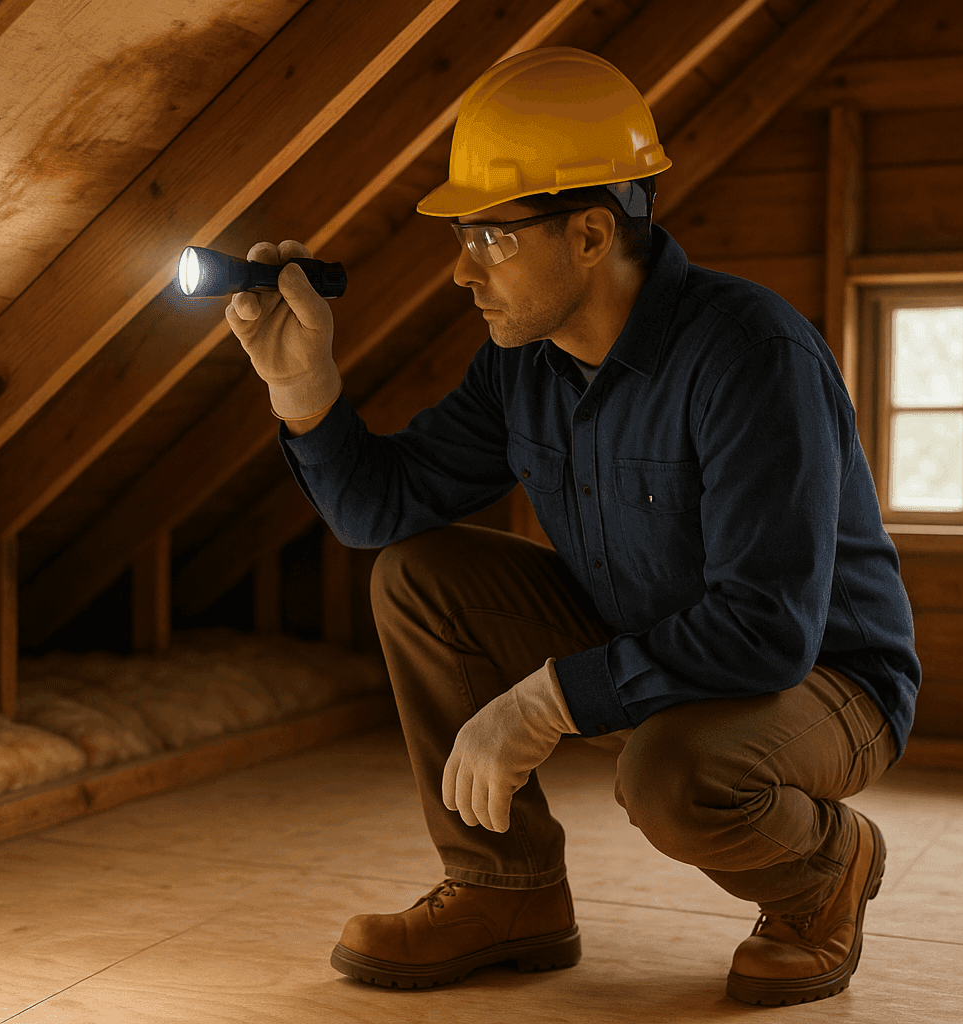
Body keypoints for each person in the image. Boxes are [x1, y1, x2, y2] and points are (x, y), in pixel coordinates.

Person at [222, 47, 919, 1007]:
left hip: (825, 680)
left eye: (491, 238)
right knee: (415, 573)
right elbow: (377, 510)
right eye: (462, 237)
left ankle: (823, 872)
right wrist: (302, 385)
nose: (464, 273)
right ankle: (505, 894)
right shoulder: (521, 365)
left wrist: (545, 700)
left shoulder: (750, 355)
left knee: (672, 774)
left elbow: (766, 628)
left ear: (591, 234)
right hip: (653, 648)